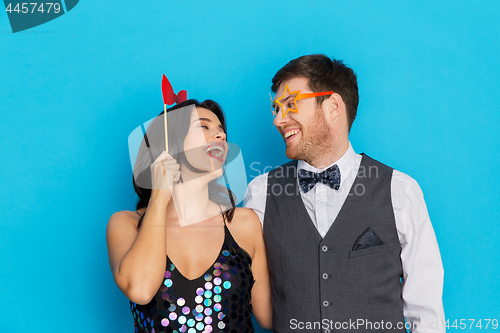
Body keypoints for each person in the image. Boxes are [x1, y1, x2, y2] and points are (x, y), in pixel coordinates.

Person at [244, 55, 445, 333]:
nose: (279, 120)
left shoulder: (399, 190)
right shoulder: (260, 193)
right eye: (276, 109)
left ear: (333, 106)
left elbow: (426, 310)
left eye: (290, 105)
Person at [106, 99, 272, 333]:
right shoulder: (127, 225)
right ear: (168, 145)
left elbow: (270, 317)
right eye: (204, 127)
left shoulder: (243, 223)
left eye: (221, 131)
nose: (221, 136)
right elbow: (140, 291)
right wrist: (159, 197)